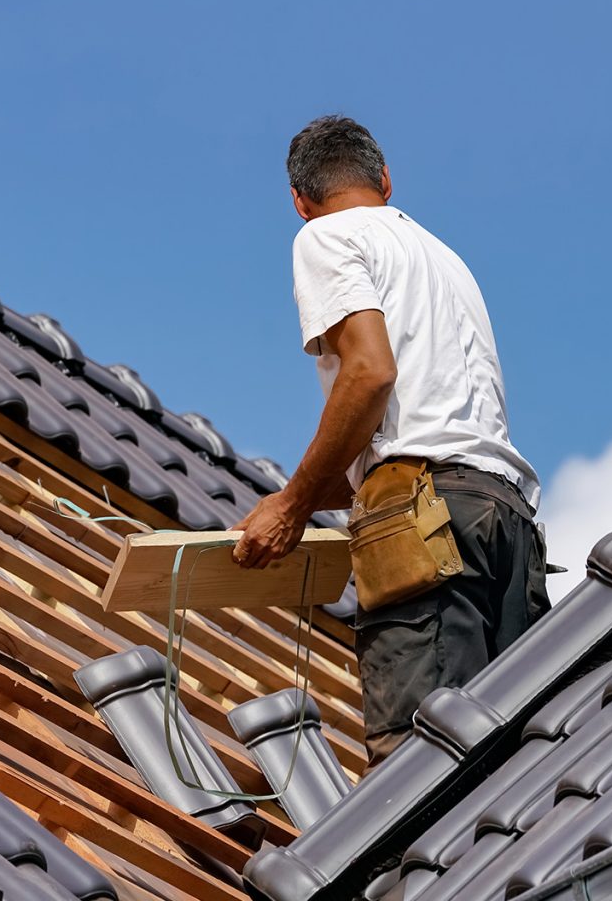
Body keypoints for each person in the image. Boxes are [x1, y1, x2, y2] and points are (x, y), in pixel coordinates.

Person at [232, 115, 550, 769]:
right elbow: (420, 425)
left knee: (424, 769)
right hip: (504, 517)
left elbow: (371, 373)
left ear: (299, 201)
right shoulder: (441, 256)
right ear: (385, 179)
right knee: (517, 765)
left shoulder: (326, 237)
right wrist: (301, 498)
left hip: (426, 526)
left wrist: (290, 507)